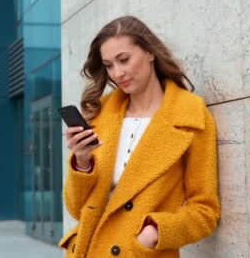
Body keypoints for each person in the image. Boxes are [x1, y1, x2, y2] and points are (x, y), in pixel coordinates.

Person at [59, 16, 220, 257]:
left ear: (150, 52)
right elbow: (76, 209)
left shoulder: (189, 117)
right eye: (109, 65)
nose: (118, 72)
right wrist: (81, 163)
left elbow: (205, 211)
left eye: (124, 59)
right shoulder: (101, 114)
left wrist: (154, 233)